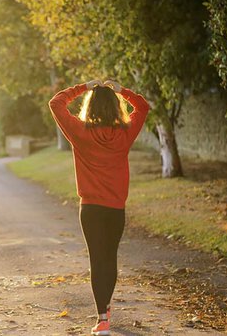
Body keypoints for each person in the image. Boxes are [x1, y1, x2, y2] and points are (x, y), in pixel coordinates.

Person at [48, 79, 150, 336]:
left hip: (91, 209)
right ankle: (105, 308)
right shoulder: (125, 133)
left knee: (97, 259)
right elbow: (143, 106)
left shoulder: (80, 132)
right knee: (110, 258)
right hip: (115, 208)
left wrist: (83, 87)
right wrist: (122, 91)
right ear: (116, 107)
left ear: (90, 107)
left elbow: (56, 103)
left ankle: (102, 318)